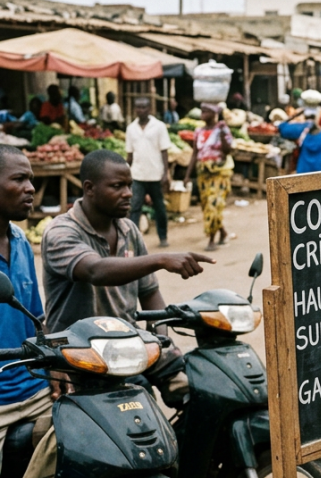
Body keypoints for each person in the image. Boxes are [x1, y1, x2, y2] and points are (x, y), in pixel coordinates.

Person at [41, 150, 215, 401]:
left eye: (130, 186)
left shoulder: (128, 229)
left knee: (198, 387)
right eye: (117, 186)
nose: (128, 194)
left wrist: (160, 340)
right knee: (140, 397)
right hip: (81, 354)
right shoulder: (61, 232)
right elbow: (95, 270)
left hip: (126, 344)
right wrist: (161, 259)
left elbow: (150, 292)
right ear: (89, 188)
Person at [0, 145, 56, 478]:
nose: (31, 188)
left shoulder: (21, 240)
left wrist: (54, 371)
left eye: (31, 179)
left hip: (34, 390)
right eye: (19, 179)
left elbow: (37, 318)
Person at [183, 103, 234, 252]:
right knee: (207, 206)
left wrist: (223, 133)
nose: (202, 114)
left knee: (214, 204)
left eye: (206, 111)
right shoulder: (198, 131)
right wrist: (187, 175)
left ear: (214, 113)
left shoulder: (221, 129)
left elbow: (228, 150)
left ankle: (212, 239)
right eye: (202, 111)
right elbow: (195, 154)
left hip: (219, 173)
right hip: (203, 174)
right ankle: (223, 232)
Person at [126, 97, 171, 248]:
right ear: (135, 109)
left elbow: (164, 151)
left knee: (159, 207)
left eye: (144, 107)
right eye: (138, 107)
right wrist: (126, 175)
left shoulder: (159, 126)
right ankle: (133, 240)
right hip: (137, 175)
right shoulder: (131, 129)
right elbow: (130, 155)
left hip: (155, 175)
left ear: (149, 109)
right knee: (134, 208)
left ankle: (163, 236)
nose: (141, 110)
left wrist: (166, 173)